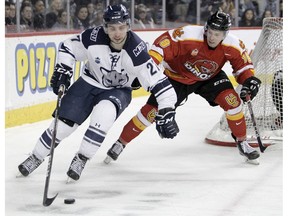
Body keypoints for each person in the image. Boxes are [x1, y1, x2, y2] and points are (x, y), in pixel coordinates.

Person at [17, 4, 179, 181]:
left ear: (128, 26)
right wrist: (63, 68)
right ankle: (36, 156)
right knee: (62, 126)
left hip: (119, 91)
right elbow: (68, 47)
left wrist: (167, 110)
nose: (117, 33)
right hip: (88, 82)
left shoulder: (137, 50)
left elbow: (161, 84)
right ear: (105, 27)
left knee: (103, 116)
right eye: (112, 28)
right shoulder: (93, 37)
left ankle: (81, 158)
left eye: (121, 28)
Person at [104, 11, 262, 164]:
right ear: (206, 28)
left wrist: (249, 80)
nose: (213, 37)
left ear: (225, 34)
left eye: (218, 34)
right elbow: (159, 48)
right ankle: (120, 142)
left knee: (233, 102)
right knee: (150, 113)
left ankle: (242, 143)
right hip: (176, 77)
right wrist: (145, 72)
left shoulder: (233, 44)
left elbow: (243, 67)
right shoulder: (187, 35)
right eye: (211, 32)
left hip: (209, 78)